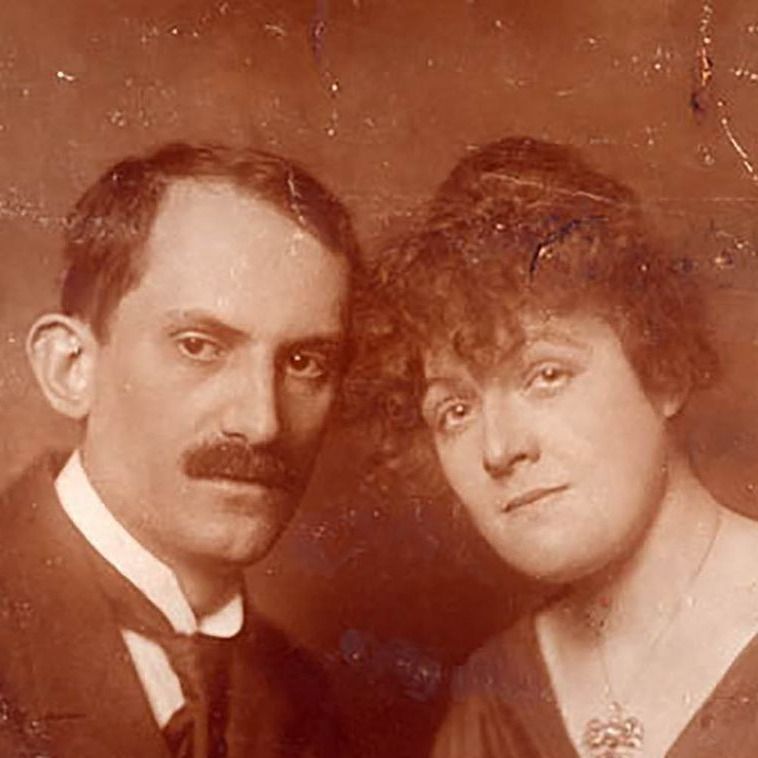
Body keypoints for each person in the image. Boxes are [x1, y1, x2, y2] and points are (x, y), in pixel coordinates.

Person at [363, 137, 758, 757]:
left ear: (664, 371)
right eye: (456, 410)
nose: (500, 449)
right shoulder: (489, 705)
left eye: (546, 375)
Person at [0, 141, 362, 757]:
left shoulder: (303, 699)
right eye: (199, 346)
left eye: (304, 362)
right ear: (71, 367)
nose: (261, 423)